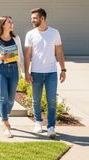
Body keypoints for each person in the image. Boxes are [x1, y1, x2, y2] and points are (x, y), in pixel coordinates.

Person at [24, 8, 66, 139]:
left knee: (51, 100)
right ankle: (38, 122)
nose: (32, 20)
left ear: (42, 18)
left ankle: (51, 127)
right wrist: (26, 72)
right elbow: (28, 55)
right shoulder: (30, 34)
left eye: (34, 18)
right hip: (36, 72)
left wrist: (63, 69)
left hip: (51, 72)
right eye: (32, 18)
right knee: (36, 100)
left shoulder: (54, 33)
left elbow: (59, 52)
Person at [0, 16, 24, 138]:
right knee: (3, 98)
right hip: (0, 70)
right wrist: (0, 57)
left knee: (11, 99)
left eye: (11, 21)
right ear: (3, 25)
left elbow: (20, 56)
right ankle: (6, 125)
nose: (11, 23)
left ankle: (5, 113)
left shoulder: (16, 38)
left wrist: (24, 73)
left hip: (13, 70)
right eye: (9, 22)